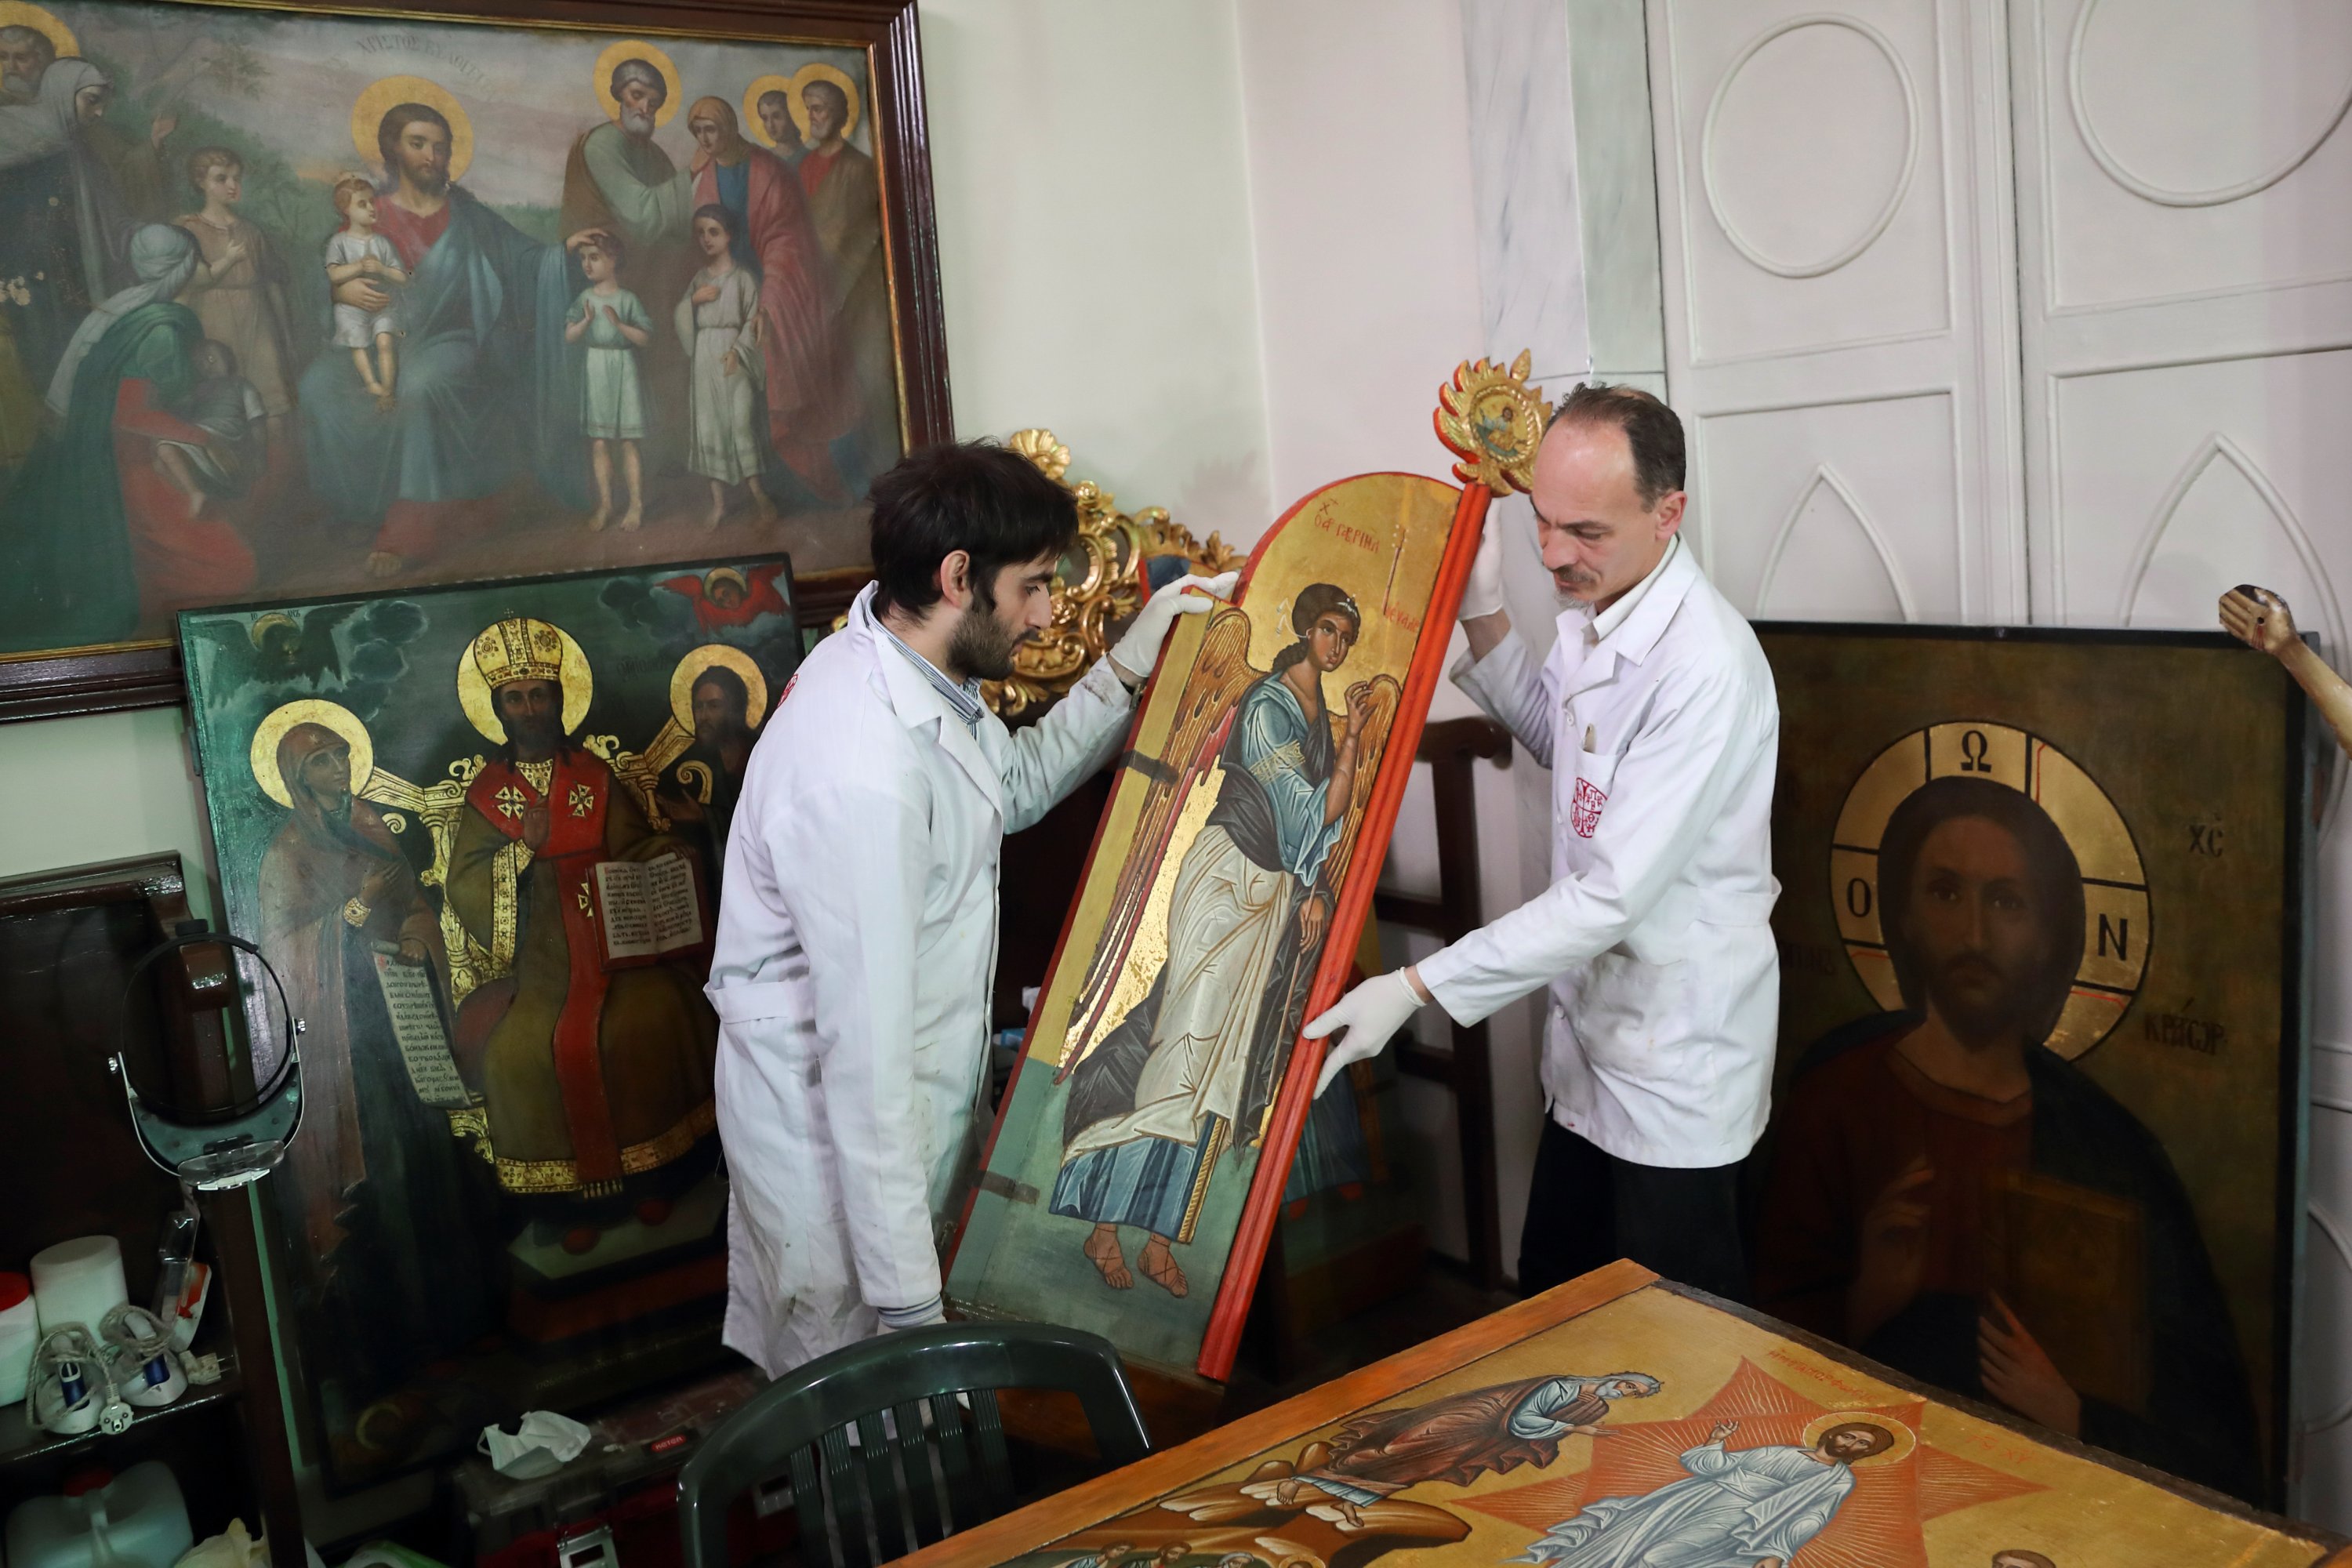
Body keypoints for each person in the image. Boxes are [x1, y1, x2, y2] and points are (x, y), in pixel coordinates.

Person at [708, 440, 1236, 1375]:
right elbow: (864, 1062)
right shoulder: (861, 767)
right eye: (1031, 586)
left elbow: (1013, 785)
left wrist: (1121, 669)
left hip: (909, 1111)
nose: (1045, 613)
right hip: (841, 1154)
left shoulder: (914, 668)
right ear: (959, 577)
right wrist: (913, 1311)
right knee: (875, 1433)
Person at [1305, 383, 1780, 1303]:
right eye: (1543, 522)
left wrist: (1416, 985)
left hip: (1673, 1066)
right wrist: (1484, 614)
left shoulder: (1704, 666)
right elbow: (1570, 752)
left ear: (1668, 511)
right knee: (1556, 1308)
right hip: (1589, 1055)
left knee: (1674, 1351)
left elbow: (1609, 895)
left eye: (1587, 532)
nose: (1557, 553)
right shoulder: (1606, 615)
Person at [1751, 775, 2259, 1500]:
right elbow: (1760, 1339)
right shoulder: (1838, 1094)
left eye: (2007, 902)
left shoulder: (2108, 1147)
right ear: (1904, 915)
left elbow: (2210, 1425)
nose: (1975, 936)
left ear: (2052, 933)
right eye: (1947, 893)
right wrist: (1868, 1298)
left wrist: (2075, 1416)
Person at [1052, 583, 1376, 1299]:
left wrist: (1313, 889)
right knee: (1183, 1047)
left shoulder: (1320, 715)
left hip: (1272, 894)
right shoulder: (1266, 706)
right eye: (1328, 629)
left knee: (1223, 1068)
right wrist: (1348, 752)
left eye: (1346, 638)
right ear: (1303, 626)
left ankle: (1161, 1238)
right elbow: (1307, 811)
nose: (1337, 646)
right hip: (1227, 876)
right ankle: (1105, 1222)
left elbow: (1323, 830)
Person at [442, 617, 718, 1243]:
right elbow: (464, 883)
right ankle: (573, 1207)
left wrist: (674, 847)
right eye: (515, 698)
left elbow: (632, 846)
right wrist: (520, 853)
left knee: (656, 1017)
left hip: (612, 947)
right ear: (499, 710)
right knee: (520, 1053)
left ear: (558, 700)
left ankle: (654, 1183)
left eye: (540, 695)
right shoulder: (488, 794)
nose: (530, 708)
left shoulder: (593, 775)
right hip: (540, 962)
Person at [303, 102, 597, 577]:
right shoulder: (367, 214)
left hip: (451, 338)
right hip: (384, 338)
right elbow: (332, 280)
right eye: (417, 143)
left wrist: (564, 254)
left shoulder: (468, 216)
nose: (430, 155)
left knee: (421, 388)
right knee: (318, 385)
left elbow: (523, 261)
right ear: (392, 150)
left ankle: (410, 525)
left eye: (440, 146)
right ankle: (360, 510)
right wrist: (341, 288)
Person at [0, 223, 253, 650]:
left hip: (144, 452)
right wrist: (203, 438)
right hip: (128, 465)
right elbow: (132, 414)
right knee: (235, 573)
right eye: (197, 261)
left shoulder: (131, 314)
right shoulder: (160, 331)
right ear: (185, 267)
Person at [685, 96, 849, 505]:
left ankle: (804, 489)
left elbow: (786, 241)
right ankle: (753, 496)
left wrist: (769, 302)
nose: (706, 139)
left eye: (712, 129)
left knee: (781, 390)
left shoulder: (767, 170)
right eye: (698, 132)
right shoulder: (703, 177)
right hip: (729, 297)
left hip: (777, 290)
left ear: (729, 128)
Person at [559, 56, 696, 475]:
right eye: (638, 97)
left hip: (650, 281)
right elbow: (645, 216)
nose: (645, 109)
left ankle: (666, 469)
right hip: (609, 281)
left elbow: (677, 224)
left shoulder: (652, 153)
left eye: (654, 103)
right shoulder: (604, 144)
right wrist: (698, 175)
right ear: (618, 95)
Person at [1515, 1417, 1891, 1566]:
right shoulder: (1778, 1452)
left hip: (1739, 1515)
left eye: (1862, 1444)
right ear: (1833, 1434)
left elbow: (1812, 1517)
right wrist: (1715, 1442)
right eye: (1850, 1435)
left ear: (1864, 1453)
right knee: (1623, 1541)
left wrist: (1777, 1551)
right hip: (1694, 1496)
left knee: (1658, 1557)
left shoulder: (1837, 1481)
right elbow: (1715, 1468)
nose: (1852, 1443)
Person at [793, 76, 894, 472]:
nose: (813, 117)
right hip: (808, 293)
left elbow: (866, 234)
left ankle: (881, 469)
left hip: (854, 293)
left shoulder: (860, 168)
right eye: (809, 108)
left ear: (840, 116)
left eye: (820, 108)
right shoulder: (802, 166)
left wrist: (834, 281)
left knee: (865, 379)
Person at [176, 147, 293, 441]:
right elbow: (180, 286)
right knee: (218, 401)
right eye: (221, 178)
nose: (232, 186)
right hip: (210, 320)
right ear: (200, 181)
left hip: (256, 320)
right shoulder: (187, 228)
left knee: (270, 400)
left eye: (236, 178)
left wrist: (283, 333)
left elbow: (272, 283)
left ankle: (276, 474)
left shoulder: (251, 232)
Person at [673, 202, 773, 526]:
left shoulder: (744, 278)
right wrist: (692, 302)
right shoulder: (699, 279)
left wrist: (738, 351)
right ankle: (719, 504)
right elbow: (682, 320)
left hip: (735, 355)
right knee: (709, 428)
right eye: (700, 233)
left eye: (713, 232)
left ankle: (760, 498)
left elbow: (753, 319)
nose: (706, 239)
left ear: (729, 235)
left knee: (741, 425)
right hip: (705, 357)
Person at [564, 230, 651, 532]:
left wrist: (619, 324)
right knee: (599, 442)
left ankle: (636, 505)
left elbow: (645, 338)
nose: (587, 265)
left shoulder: (628, 299)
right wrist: (587, 322)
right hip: (596, 367)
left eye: (595, 258)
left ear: (613, 260)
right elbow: (569, 336)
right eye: (583, 259)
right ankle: (605, 505)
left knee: (628, 441)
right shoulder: (584, 299)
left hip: (624, 368)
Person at [656, 661, 759, 885]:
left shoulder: (760, 752)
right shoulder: (684, 767)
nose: (703, 716)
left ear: (735, 708)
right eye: (698, 707)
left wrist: (705, 816)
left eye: (713, 706)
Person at [150, 337, 264, 514]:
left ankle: (223, 483)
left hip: (228, 436)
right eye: (200, 364)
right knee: (163, 453)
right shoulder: (198, 390)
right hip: (200, 436)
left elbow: (256, 421)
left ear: (227, 357)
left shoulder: (240, 385)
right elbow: (180, 412)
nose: (207, 366)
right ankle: (196, 493)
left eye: (211, 359)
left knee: (201, 440)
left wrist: (258, 454)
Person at [322, 173, 405, 412]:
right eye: (362, 204)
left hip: (382, 306)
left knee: (385, 341)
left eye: (372, 202)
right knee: (358, 344)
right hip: (352, 309)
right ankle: (371, 382)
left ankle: (387, 391)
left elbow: (402, 277)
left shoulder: (382, 243)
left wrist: (381, 269)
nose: (371, 208)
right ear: (346, 210)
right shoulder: (339, 242)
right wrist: (358, 267)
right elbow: (334, 275)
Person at [754, 88, 804, 169]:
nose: (771, 125)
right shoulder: (764, 160)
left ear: (791, 117)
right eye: (765, 119)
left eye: (776, 117)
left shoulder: (809, 156)